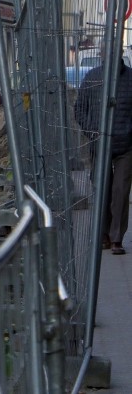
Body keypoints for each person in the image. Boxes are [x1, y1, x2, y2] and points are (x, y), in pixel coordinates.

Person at [74, 56, 132, 255]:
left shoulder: (130, 79)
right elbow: (79, 109)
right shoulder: (92, 77)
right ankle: (104, 235)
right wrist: (91, 132)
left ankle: (117, 239)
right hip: (99, 145)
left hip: (126, 146)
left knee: (121, 192)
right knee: (102, 190)